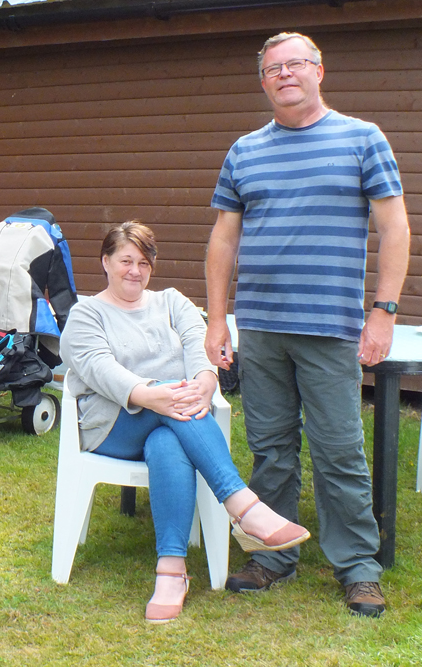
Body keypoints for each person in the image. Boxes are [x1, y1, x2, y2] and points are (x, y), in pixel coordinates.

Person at [205, 32, 410, 617]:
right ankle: (274, 556)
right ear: (263, 80)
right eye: (274, 68)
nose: (285, 74)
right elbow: (224, 237)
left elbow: (394, 228)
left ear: (320, 71)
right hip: (263, 327)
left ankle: (358, 567)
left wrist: (383, 310)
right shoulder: (244, 150)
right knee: (270, 448)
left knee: (339, 450)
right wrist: (218, 319)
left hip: (329, 325)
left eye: (297, 64)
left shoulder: (362, 139)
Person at [59, 221, 309, 624]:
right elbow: (99, 368)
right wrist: (151, 394)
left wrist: (207, 380)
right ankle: (244, 507)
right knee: (174, 409)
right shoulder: (86, 313)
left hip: (173, 419)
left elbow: (198, 345)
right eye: (125, 260)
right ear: (105, 262)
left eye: (143, 262)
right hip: (114, 426)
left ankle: (171, 573)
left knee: (167, 442)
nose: (135, 271)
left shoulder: (171, 302)